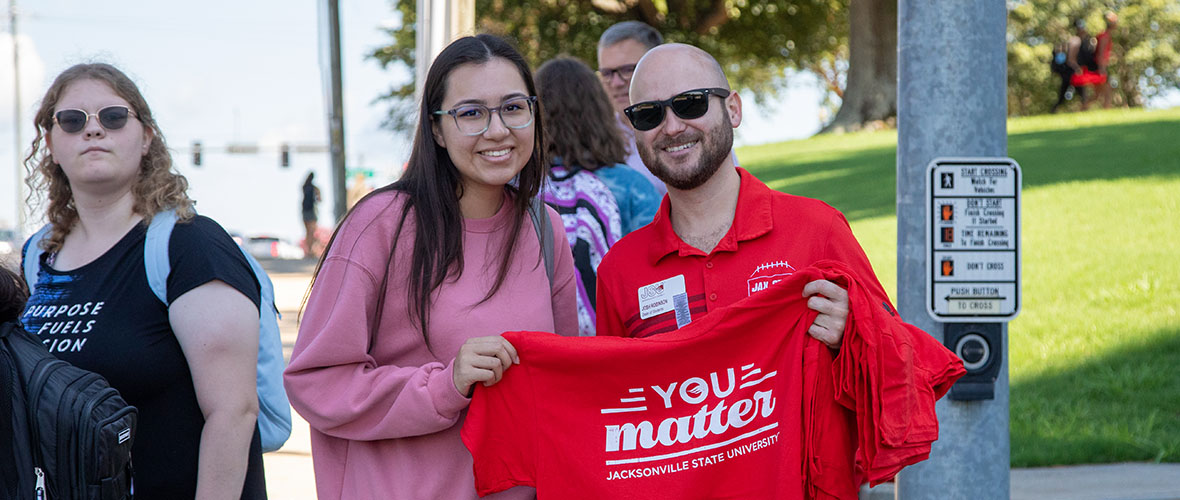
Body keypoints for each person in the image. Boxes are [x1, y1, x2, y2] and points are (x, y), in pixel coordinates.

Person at [282, 34, 578, 500]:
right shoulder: (381, 224)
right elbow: (316, 382)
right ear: (437, 129)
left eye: (513, 107)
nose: (497, 129)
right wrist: (446, 383)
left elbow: (561, 386)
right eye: (471, 113)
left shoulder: (545, 228)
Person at [19, 63, 266, 498]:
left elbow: (234, 413)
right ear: (52, 145)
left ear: (147, 136)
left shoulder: (189, 246)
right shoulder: (36, 258)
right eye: (72, 121)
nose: (93, 131)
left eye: (113, 117)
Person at [595, 43, 882, 350]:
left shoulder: (818, 230)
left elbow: (906, 367)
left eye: (690, 104)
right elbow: (613, 395)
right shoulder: (619, 271)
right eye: (648, 114)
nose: (673, 127)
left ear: (733, 109)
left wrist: (854, 338)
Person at [535, 56, 662, 336]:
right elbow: (660, 269)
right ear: (599, 112)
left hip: (544, 344)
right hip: (624, 340)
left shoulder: (519, 189)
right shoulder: (631, 186)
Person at [597, 21, 668, 195]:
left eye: (628, 70)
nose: (616, 83)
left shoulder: (692, 128)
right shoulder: (594, 141)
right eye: (607, 73)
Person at [1067, 18, 1106, 110]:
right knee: (1083, 95)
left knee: (1098, 94)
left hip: (1092, 69)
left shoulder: (1090, 39)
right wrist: (1077, 68)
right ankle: (1082, 109)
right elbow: (1071, 59)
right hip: (1082, 71)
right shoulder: (1075, 40)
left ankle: (1083, 108)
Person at [1095, 11, 1118, 109]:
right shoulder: (1104, 36)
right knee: (1107, 92)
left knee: (1098, 94)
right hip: (1100, 67)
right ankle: (1106, 111)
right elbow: (1101, 53)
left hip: (1101, 66)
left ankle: (1082, 108)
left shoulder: (1105, 35)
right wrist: (1102, 69)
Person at [301, 171, 321, 257]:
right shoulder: (315, 188)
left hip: (305, 211)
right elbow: (320, 199)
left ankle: (308, 250)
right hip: (312, 211)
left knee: (307, 232)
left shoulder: (304, 187)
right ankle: (311, 251)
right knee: (312, 232)